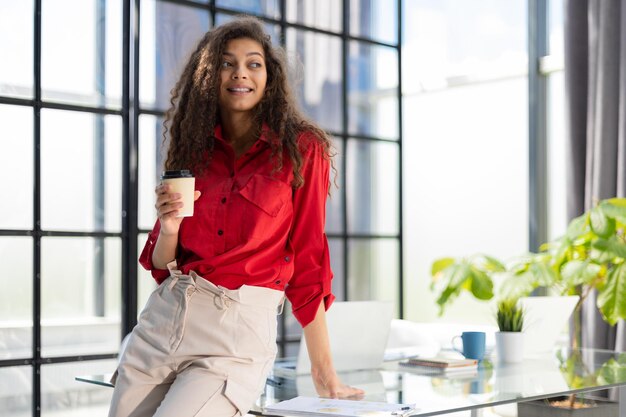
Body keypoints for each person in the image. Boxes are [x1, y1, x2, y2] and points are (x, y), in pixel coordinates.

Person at [108, 16, 364, 417]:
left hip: (235, 335)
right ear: (209, 74)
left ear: (269, 75)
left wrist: (324, 371)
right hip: (162, 323)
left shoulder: (301, 148)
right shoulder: (193, 147)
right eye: (227, 63)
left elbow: (309, 260)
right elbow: (162, 265)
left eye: (253, 63)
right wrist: (170, 226)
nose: (240, 73)